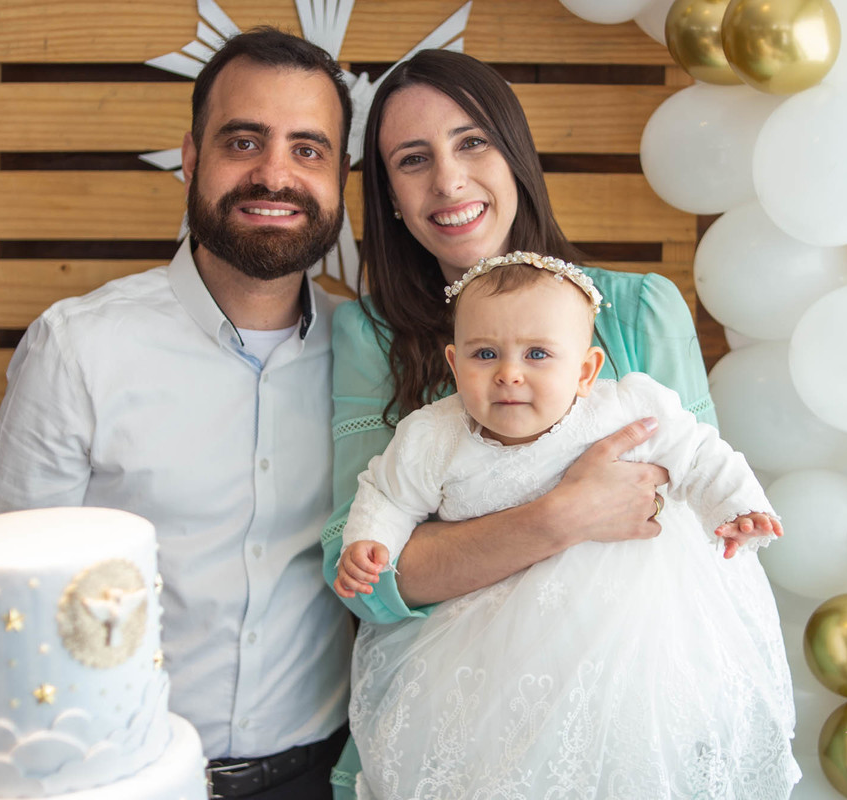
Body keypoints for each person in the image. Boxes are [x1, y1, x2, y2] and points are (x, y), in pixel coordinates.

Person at [319, 49, 733, 796]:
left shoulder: (638, 312)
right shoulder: (370, 336)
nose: (447, 180)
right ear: (388, 198)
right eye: (413, 160)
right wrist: (557, 517)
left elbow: (703, 523)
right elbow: (363, 576)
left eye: (471, 142)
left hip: (632, 722)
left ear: (516, 154)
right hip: (453, 726)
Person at [0, 28, 355, 800]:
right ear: (191, 156)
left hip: (321, 776)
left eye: (308, 150)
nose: (274, 173)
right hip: (116, 777)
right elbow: (1, 594)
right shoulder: (78, 348)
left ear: (340, 178)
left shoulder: (366, 356)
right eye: (244, 141)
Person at [334, 251, 799, 798]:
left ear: (585, 372)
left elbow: (697, 453)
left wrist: (736, 506)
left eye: (537, 354)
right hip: (487, 640)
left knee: (626, 754)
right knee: (494, 753)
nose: (509, 372)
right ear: (456, 366)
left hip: (628, 635)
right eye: (486, 354)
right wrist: (370, 541)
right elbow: (387, 494)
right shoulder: (434, 437)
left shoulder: (621, 410)